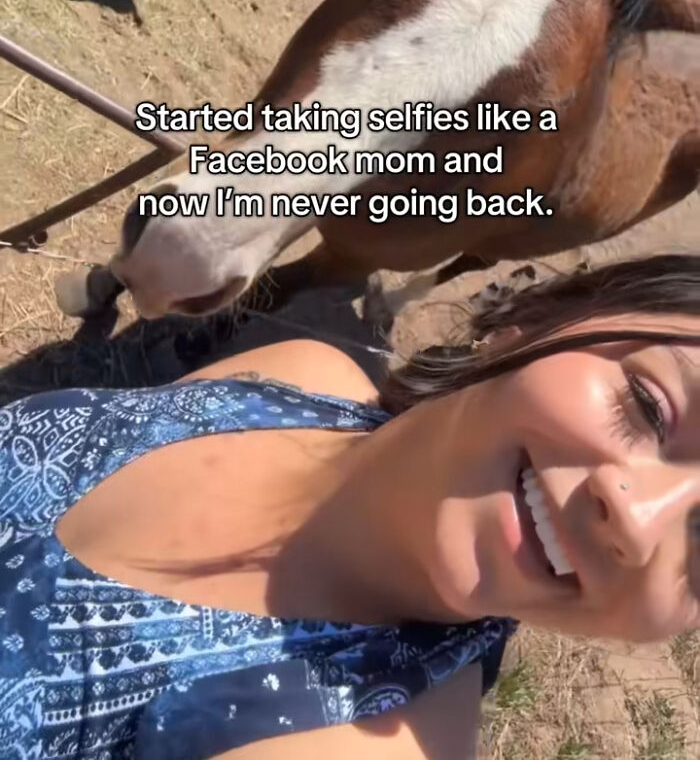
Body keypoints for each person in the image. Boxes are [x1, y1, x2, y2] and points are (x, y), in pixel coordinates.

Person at [1, 254, 698, 759]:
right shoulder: (302, 376)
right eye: (648, 405)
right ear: (532, 321)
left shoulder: (344, 741)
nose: (638, 523)